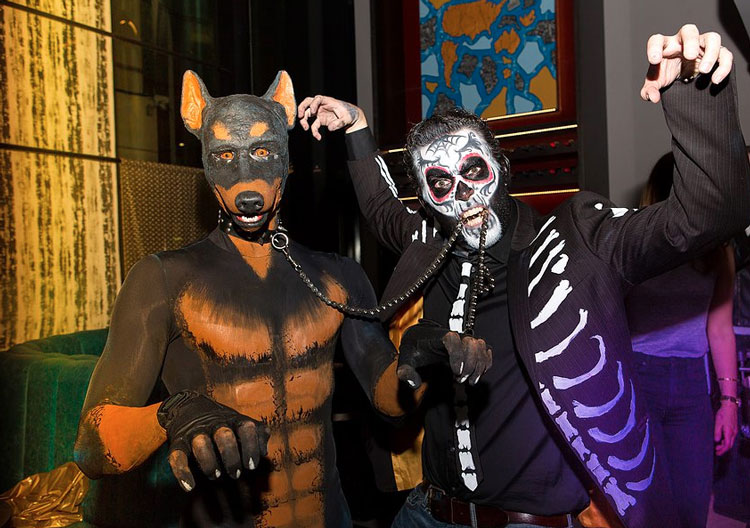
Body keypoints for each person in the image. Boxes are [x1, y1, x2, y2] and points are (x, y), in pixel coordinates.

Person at [298, 25, 750, 528]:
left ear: (501, 166)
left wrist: (694, 91)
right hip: (426, 514)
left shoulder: (575, 242)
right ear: (426, 199)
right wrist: (357, 127)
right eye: (441, 183)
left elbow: (707, 216)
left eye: (473, 170)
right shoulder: (430, 241)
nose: (464, 194)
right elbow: (382, 210)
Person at [74, 70, 421, 527]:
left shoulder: (338, 276)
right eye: (224, 155)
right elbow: (91, 447)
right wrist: (173, 413)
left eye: (262, 151)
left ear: (286, 157)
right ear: (204, 161)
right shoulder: (162, 280)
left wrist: (428, 358)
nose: (246, 182)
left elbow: (390, 401)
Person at [624, 155, 738, 528]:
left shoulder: (716, 247)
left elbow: (720, 328)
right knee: (646, 506)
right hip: (639, 379)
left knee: (692, 505)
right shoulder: (632, 242)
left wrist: (730, 402)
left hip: (691, 383)